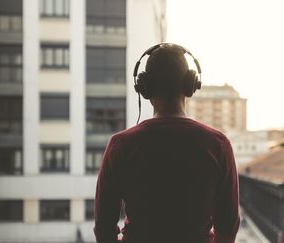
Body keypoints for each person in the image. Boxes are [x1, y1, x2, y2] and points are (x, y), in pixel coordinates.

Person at [94, 43, 240, 243]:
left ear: (144, 87)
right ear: (191, 84)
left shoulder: (120, 146)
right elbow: (227, 229)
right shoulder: (218, 145)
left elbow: (104, 230)